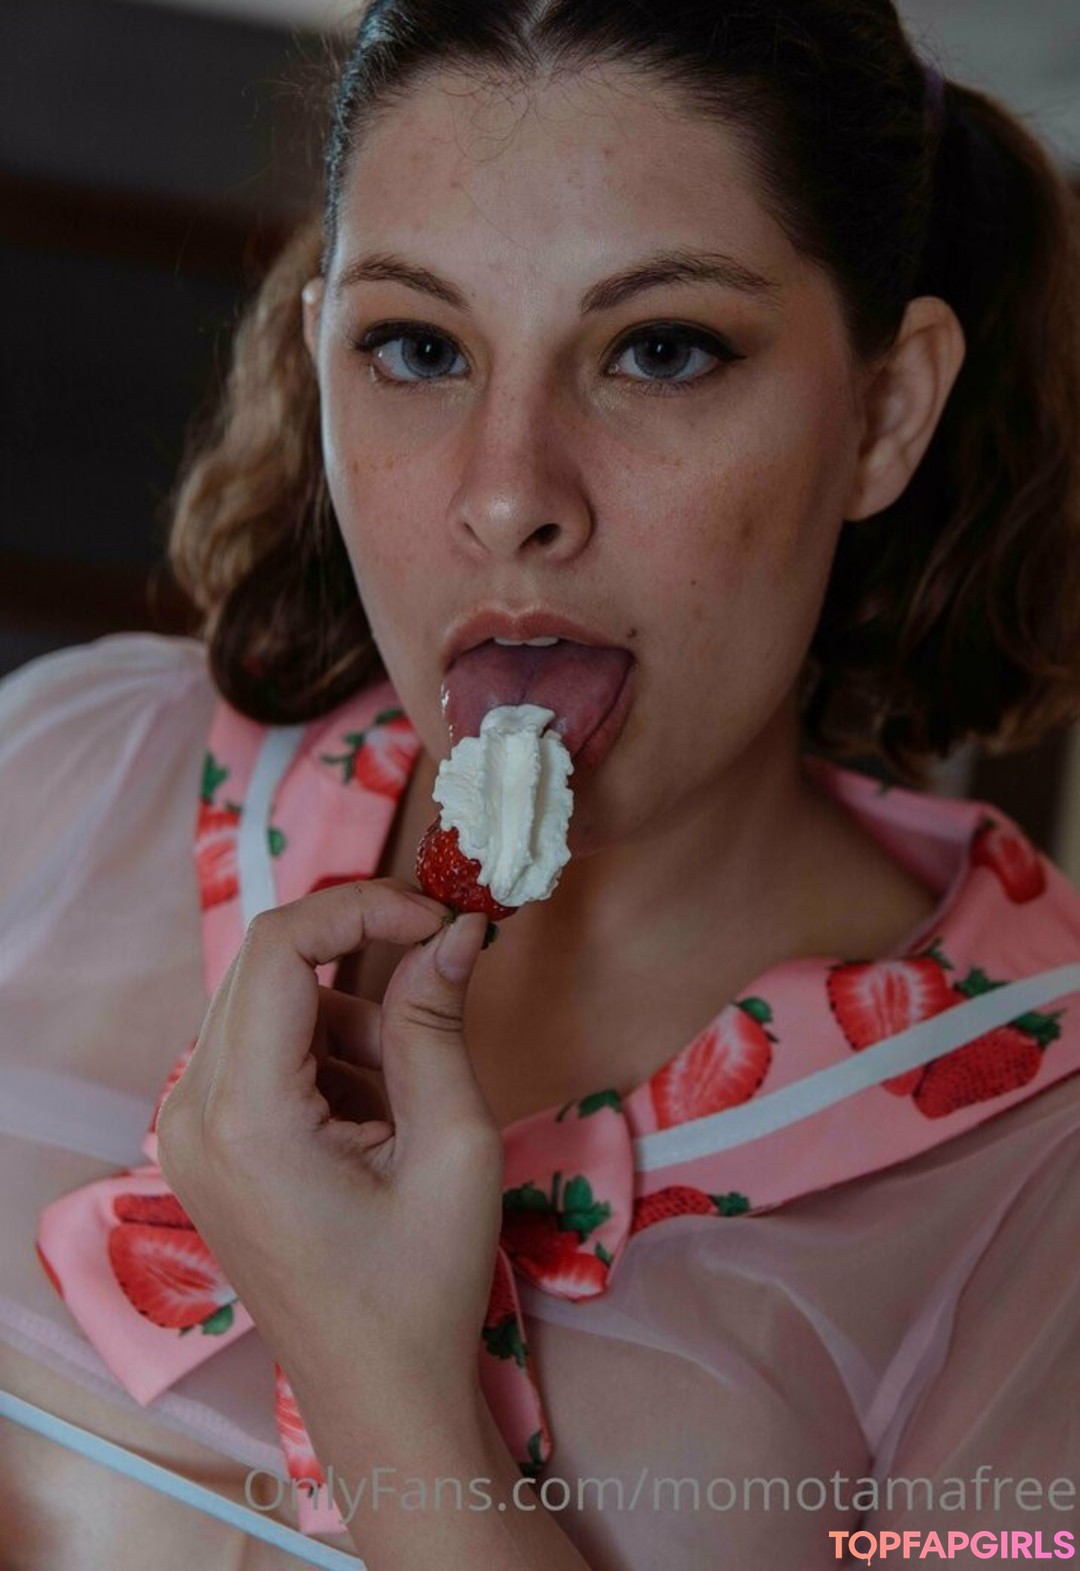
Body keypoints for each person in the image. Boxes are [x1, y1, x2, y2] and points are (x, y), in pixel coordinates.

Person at [2, 1, 1079, 1567]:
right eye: (419, 348)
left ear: (884, 412)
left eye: (660, 350)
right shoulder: (62, 774)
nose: (509, 495)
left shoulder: (1041, 1182)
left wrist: (386, 1385)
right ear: (320, 355)